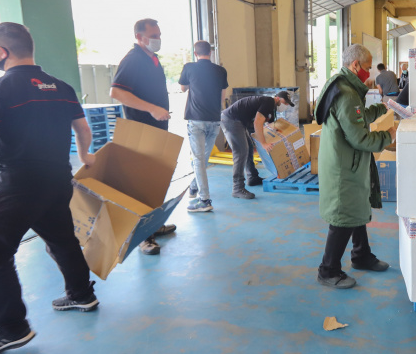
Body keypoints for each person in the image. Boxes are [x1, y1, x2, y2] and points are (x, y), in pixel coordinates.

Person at [0, 22, 98, 354]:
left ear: (1, 51)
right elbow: (83, 128)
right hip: (58, 178)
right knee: (61, 238)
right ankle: (81, 294)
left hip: (18, 183)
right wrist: (85, 154)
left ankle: (11, 328)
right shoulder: (61, 87)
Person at [315, 44, 395, 289]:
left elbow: (357, 118)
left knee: (356, 208)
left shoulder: (344, 85)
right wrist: (388, 137)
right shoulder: (347, 94)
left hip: (346, 160)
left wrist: (384, 107)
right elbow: (359, 138)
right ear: (355, 65)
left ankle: (361, 255)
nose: (369, 74)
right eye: (368, 68)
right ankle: (328, 270)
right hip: (343, 165)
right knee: (343, 216)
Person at [110, 18, 176, 254]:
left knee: (155, 181)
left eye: (159, 34)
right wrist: (151, 108)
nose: (158, 39)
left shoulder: (153, 59)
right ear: (139, 37)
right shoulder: (133, 59)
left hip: (156, 131)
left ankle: (153, 226)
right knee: (140, 185)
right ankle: (141, 237)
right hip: (141, 132)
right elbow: (116, 92)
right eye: (153, 35)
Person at [179, 40, 228, 212]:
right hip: (215, 120)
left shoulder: (189, 67)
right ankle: (194, 187)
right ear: (211, 52)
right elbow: (223, 97)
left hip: (196, 120)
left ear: (195, 53)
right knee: (203, 159)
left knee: (199, 159)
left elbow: (183, 88)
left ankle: (205, 200)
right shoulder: (221, 71)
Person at [219, 91, 294, 199]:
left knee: (248, 147)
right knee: (241, 152)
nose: (285, 105)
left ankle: (252, 177)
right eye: (285, 102)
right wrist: (263, 143)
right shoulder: (269, 101)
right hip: (231, 119)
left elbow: (270, 127)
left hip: (240, 121)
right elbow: (257, 123)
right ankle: (237, 188)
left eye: (287, 104)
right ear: (277, 98)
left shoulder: (272, 109)